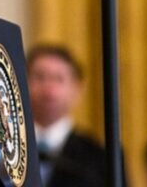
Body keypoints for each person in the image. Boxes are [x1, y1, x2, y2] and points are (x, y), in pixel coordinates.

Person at [27, 45, 113, 187]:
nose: (49, 89)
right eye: (40, 77)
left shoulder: (102, 159)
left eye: (58, 79)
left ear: (77, 89)